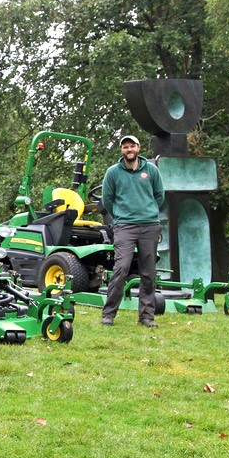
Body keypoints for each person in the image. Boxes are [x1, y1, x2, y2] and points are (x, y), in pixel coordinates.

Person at [99, 133, 165, 328]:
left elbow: (159, 196)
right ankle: (109, 314)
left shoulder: (151, 170)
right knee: (122, 268)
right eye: (125, 147)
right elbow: (107, 200)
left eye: (132, 146)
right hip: (125, 227)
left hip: (149, 226)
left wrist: (149, 212)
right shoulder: (113, 172)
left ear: (138, 148)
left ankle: (146, 317)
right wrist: (120, 216)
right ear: (122, 150)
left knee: (148, 272)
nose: (129, 149)